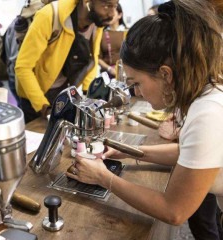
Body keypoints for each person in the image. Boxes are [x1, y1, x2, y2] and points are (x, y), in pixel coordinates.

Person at [67, 1, 223, 237]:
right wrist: (130, 151)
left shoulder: (207, 113)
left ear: (165, 74)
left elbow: (174, 210)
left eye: (136, 83)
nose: (137, 92)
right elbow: (186, 153)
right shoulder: (204, 97)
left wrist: (102, 176)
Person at [15, 0, 118, 123]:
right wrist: (44, 108)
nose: (112, 14)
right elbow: (23, 67)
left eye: (115, 6)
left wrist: (89, 95)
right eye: (106, 6)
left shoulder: (96, 22)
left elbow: (92, 59)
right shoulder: (50, 15)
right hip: (35, 97)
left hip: (64, 93)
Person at [98, 3, 127, 78]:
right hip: (108, 76)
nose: (109, 15)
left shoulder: (129, 32)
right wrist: (109, 69)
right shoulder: (100, 34)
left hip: (127, 74)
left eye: (112, 12)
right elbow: (97, 57)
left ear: (120, 15)